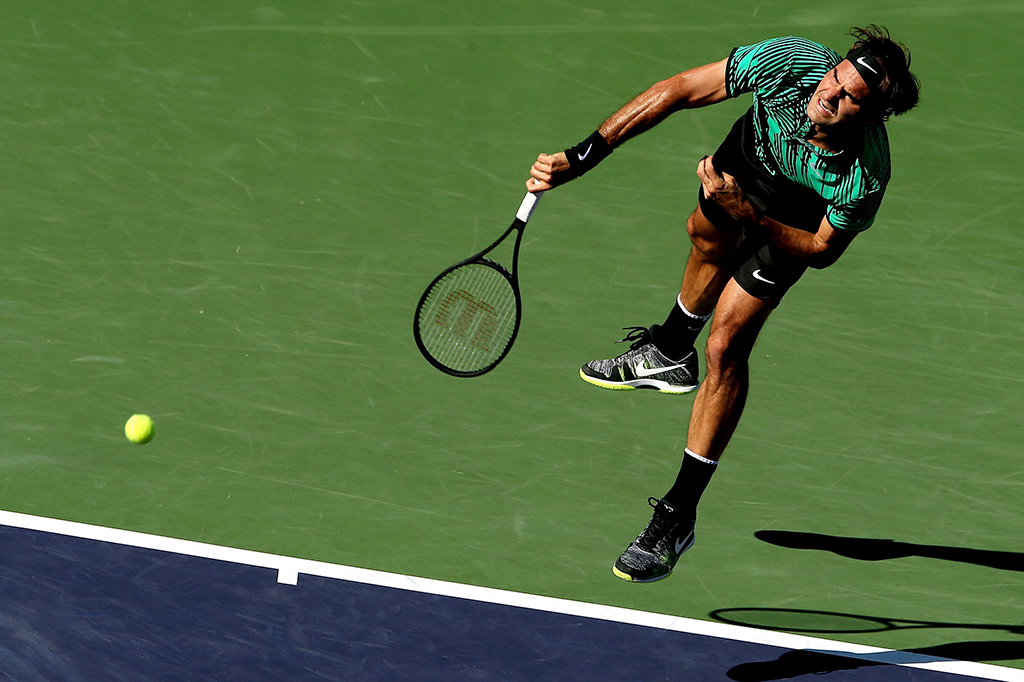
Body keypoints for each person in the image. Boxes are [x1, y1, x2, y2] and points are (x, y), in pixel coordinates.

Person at [527, 26, 920, 583]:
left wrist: (752, 217)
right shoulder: (788, 63)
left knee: (726, 345)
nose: (828, 95)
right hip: (742, 166)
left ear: (871, 116)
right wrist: (582, 157)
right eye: (835, 78)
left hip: (793, 220)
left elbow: (821, 249)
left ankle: (678, 513)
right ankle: (667, 352)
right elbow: (681, 89)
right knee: (704, 237)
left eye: (849, 98)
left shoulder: (864, 174)